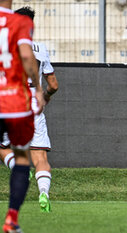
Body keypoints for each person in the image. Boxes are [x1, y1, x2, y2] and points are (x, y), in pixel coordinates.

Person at [0, 6, 58, 214]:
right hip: (34, 109)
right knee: (40, 157)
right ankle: (44, 193)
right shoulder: (41, 48)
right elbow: (54, 84)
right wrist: (46, 96)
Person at [0, 0, 44, 232]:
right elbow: (27, 57)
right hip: (15, 104)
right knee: (22, 157)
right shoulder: (20, 21)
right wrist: (37, 88)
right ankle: (11, 219)